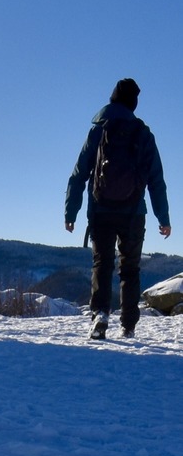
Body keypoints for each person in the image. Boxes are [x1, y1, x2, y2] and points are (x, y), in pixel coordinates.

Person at [65, 78, 171, 340]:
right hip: (134, 212)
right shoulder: (143, 134)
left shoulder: (99, 130)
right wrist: (163, 217)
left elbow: (79, 174)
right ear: (133, 103)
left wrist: (71, 212)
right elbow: (156, 180)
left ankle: (100, 314)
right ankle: (129, 325)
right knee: (130, 268)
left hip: (101, 210)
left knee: (102, 263)